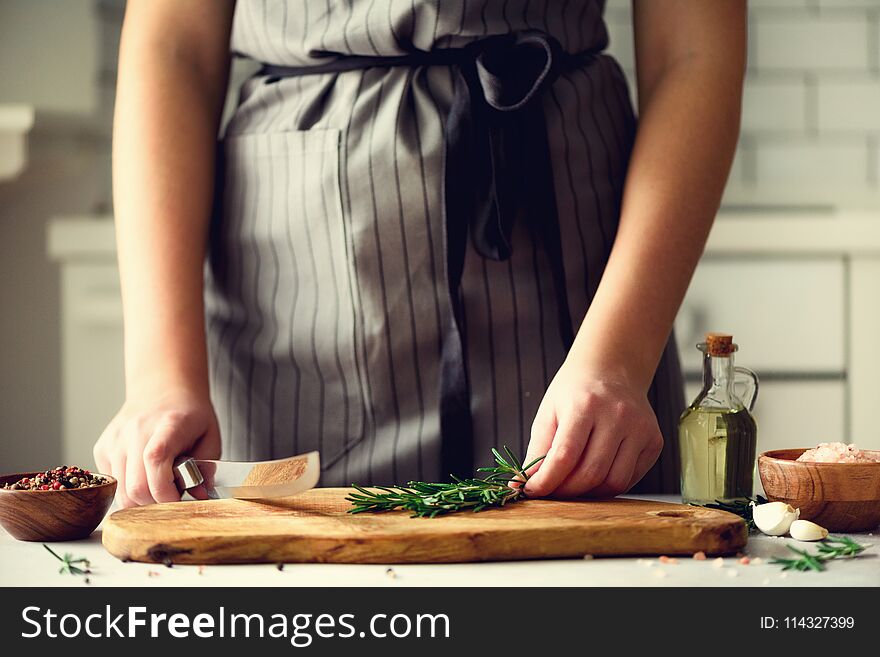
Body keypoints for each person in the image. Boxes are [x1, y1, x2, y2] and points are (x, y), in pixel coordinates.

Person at [95, 0, 746, 508]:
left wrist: (619, 358)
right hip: (295, 279)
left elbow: (694, 51)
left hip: (578, 270)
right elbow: (171, 43)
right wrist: (161, 374)